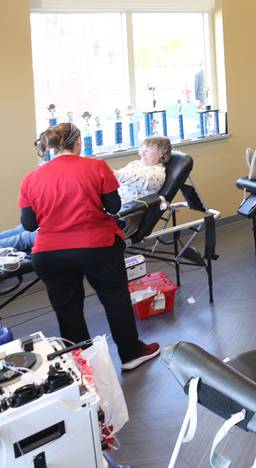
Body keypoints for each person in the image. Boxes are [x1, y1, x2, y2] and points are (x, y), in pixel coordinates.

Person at [18, 123, 159, 370]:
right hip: (96, 247)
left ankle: (82, 365)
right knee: (115, 299)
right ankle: (130, 353)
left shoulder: (31, 177)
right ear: (79, 142)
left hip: (49, 254)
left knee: (67, 310)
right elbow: (114, 206)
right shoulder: (96, 166)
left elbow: (29, 224)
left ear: (51, 146)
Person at [1, 136, 172, 252]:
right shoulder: (138, 163)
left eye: (147, 151)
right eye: (141, 150)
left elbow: (140, 180)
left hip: (121, 219)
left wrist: (110, 173)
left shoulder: (156, 174)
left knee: (27, 237)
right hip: (103, 212)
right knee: (24, 228)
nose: (140, 154)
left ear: (161, 155)